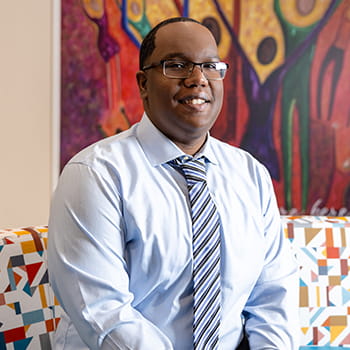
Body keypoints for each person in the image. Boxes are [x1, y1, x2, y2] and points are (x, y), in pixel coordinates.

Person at [48, 17, 299, 349]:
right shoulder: (95, 174)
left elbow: (273, 296)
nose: (198, 79)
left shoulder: (250, 175)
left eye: (210, 66)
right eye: (177, 65)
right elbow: (104, 313)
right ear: (143, 84)